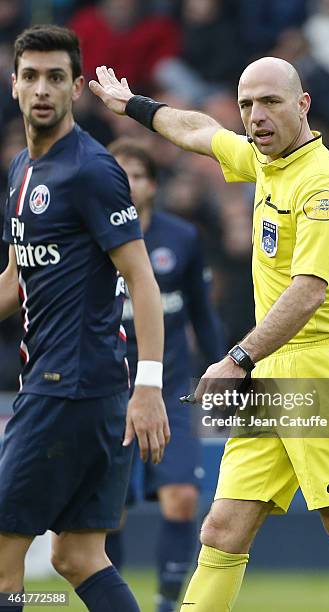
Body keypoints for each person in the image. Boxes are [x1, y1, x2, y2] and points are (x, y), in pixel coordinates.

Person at [89, 58, 329, 611]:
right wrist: (135, 107)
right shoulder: (264, 162)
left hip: (321, 371)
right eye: (246, 105)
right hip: (270, 373)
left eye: (269, 102)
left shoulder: (322, 184)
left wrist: (237, 358)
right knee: (221, 528)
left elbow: (309, 290)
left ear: (303, 104)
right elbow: (199, 131)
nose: (255, 116)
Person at [0, 26, 170, 612]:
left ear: (76, 87)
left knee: (2, 559)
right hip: (79, 391)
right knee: (79, 558)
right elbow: (14, 282)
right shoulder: (22, 168)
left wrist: (148, 386)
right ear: (14, 84)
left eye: (55, 78)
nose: (41, 89)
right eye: (30, 76)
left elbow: (141, 280)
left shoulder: (92, 171)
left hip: (66, 389)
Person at [104, 138, 224, 612]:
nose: (128, 184)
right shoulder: (89, 236)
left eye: (136, 174)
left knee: (181, 500)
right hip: (108, 391)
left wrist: (221, 368)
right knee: (108, 516)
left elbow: (201, 312)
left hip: (170, 388)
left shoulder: (182, 239)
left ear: (152, 184)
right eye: (119, 175)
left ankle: (165, 605)